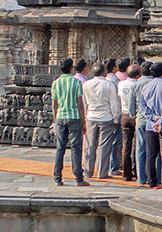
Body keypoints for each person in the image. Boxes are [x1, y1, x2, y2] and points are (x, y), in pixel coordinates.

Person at [50, 58, 90, 187]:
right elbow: (80, 103)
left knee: (60, 148)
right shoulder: (76, 82)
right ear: (71, 68)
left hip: (60, 117)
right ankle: (78, 178)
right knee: (76, 148)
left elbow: (54, 105)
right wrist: (83, 122)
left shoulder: (55, 83)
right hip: (74, 117)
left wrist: (55, 121)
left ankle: (57, 178)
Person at [139, 61, 162, 190]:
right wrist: (160, 121)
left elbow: (142, 106)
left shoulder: (146, 87)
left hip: (151, 124)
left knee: (151, 154)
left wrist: (154, 118)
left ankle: (151, 180)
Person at [82, 63, 121, 179]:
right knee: (104, 146)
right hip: (106, 117)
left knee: (89, 145)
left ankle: (87, 171)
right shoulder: (108, 85)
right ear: (104, 73)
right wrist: (115, 118)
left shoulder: (86, 84)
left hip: (91, 116)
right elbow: (114, 103)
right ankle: (101, 172)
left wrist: (85, 115)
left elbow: (84, 102)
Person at [130, 61, 154, 186]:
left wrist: (134, 116)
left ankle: (141, 178)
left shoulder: (136, 84)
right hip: (154, 120)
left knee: (140, 149)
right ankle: (154, 177)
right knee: (154, 150)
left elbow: (131, 106)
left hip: (140, 119)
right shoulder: (155, 83)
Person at [118, 63, 140, 181]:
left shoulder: (121, 84)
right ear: (138, 75)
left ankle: (126, 173)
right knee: (137, 145)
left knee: (126, 145)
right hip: (136, 115)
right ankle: (136, 171)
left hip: (125, 114)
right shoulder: (138, 85)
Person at [105, 58, 122, 174]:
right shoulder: (115, 81)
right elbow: (116, 100)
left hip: (103, 114)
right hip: (114, 113)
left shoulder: (104, 79)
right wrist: (116, 116)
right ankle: (113, 166)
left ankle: (104, 166)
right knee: (116, 142)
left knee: (105, 142)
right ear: (113, 67)